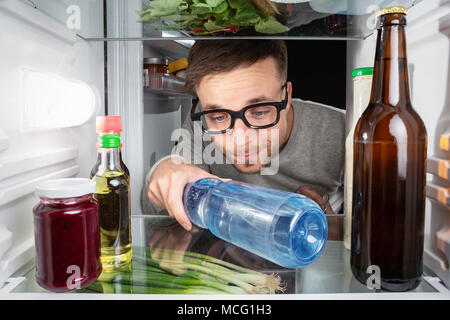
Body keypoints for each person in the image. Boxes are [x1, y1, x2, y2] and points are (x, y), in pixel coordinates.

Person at [141, 40, 345, 239]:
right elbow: (157, 214)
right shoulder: (200, 123)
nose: (240, 140)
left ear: (287, 95)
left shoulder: (343, 130)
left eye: (259, 112)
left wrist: (344, 231)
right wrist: (164, 171)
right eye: (219, 117)